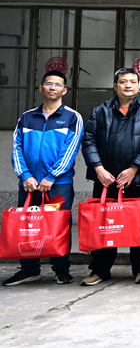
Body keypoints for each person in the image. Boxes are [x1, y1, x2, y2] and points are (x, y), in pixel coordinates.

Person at [80, 68, 140, 286]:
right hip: (105, 181)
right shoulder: (100, 112)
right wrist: (99, 169)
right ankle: (100, 269)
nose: (128, 85)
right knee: (104, 225)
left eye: (133, 82)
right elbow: (88, 141)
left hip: (138, 180)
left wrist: (134, 168)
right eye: (123, 81)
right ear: (115, 85)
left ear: (138, 86)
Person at [4, 70, 83, 286]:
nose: (52, 87)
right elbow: (17, 148)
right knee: (28, 225)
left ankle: (61, 269)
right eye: (48, 83)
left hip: (59, 184)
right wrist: (25, 175)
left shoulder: (72, 117)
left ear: (64, 90)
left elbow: (70, 150)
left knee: (59, 226)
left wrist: (52, 176)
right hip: (28, 183)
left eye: (57, 84)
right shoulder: (27, 117)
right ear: (41, 88)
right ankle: (29, 269)